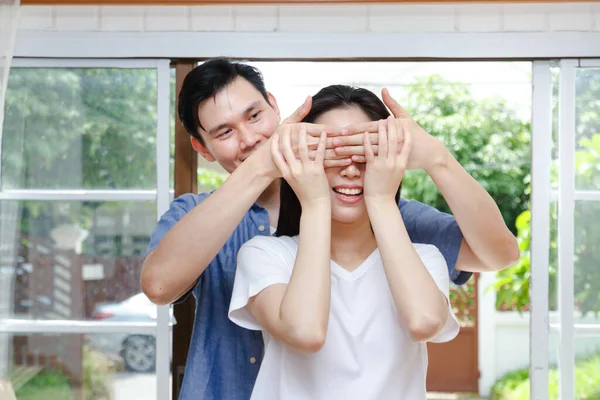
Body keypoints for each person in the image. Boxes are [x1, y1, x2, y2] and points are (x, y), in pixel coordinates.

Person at [141, 58, 519, 400]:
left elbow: (497, 255)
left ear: (275, 106)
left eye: (255, 116)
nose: (250, 138)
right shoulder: (201, 217)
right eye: (224, 133)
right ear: (202, 149)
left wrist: (436, 157)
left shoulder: (392, 217)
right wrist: (265, 166)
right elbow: (158, 286)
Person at [229, 84, 460, 399]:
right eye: (330, 154)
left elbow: (423, 322)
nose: (351, 169)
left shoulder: (424, 257)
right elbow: (306, 332)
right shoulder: (267, 254)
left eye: (365, 154)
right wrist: (314, 203)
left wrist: (380, 198)